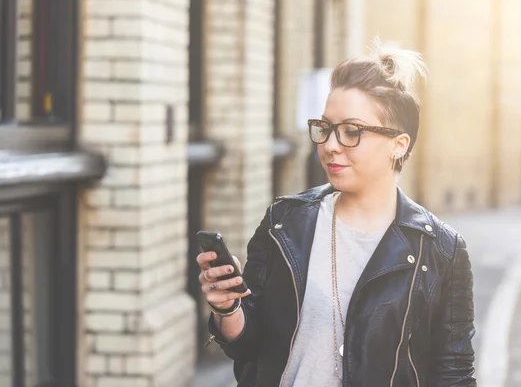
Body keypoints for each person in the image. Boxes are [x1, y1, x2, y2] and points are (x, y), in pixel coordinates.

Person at [197, 43, 476, 386]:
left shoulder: (440, 250)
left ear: (398, 145)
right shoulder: (284, 223)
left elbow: (454, 373)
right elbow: (249, 344)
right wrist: (228, 308)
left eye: (351, 131)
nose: (330, 145)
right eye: (325, 128)